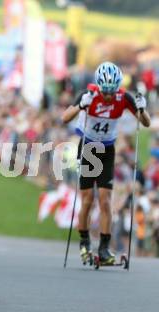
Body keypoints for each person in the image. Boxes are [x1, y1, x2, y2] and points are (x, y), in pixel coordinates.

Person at [62, 61, 150, 265]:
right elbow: (65, 117)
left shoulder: (123, 97)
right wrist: (81, 105)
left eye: (112, 91)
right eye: (105, 91)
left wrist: (142, 109)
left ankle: (103, 248)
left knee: (105, 199)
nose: (109, 96)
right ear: (99, 86)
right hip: (88, 147)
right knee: (87, 200)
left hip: (107, 150)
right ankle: (84, 241)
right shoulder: (89, 95)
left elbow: (144, 122)